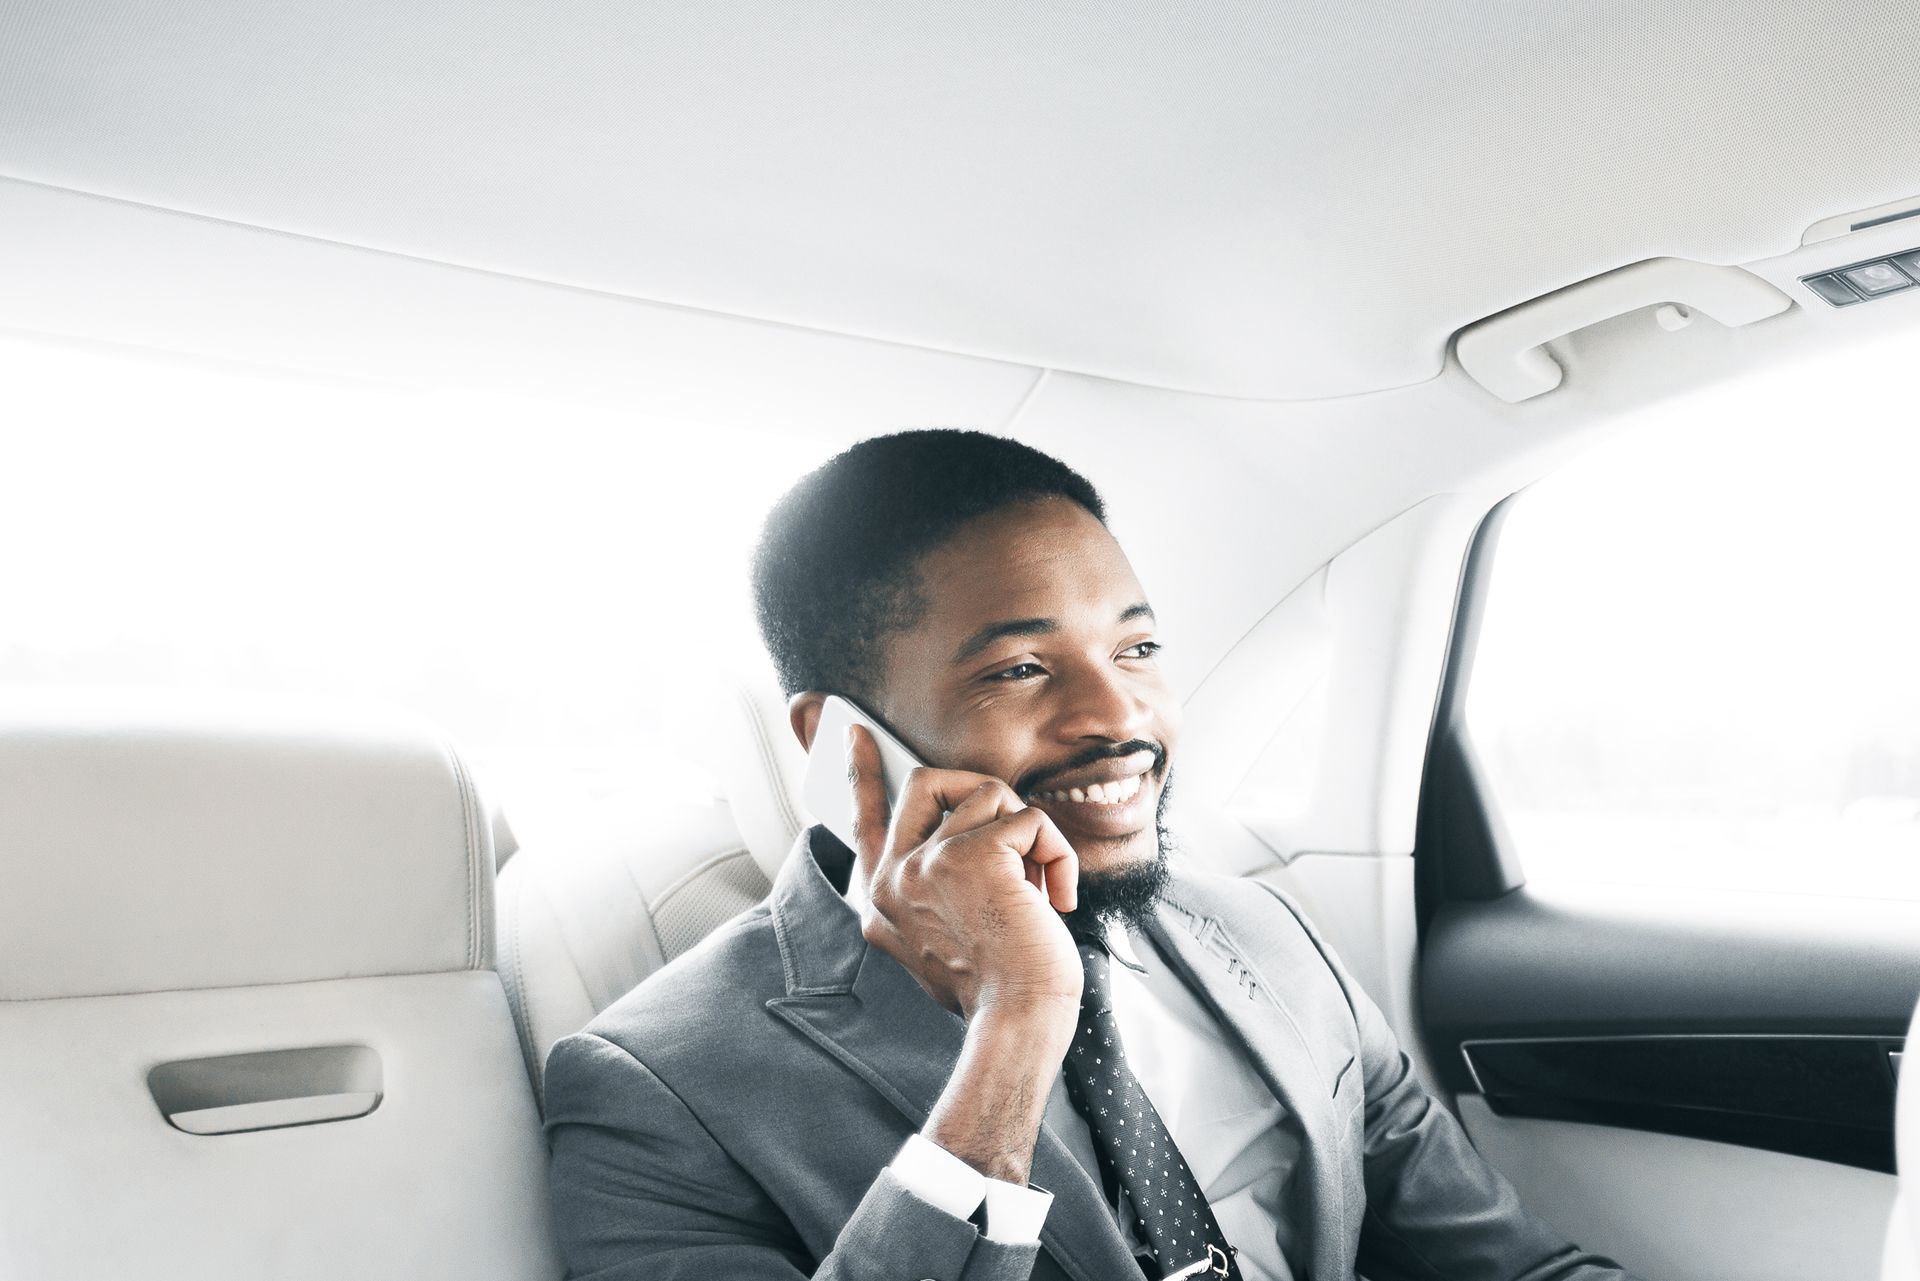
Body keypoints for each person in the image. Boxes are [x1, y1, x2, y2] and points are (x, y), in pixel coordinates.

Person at [543, 430, 1643, 1281]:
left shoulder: (1266, 934)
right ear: (840, 744)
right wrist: (1016, 1027)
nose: (1123, 715)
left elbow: (1515, 1267)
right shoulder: (655, 1089)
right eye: (1020, 669)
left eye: (1138, 649)